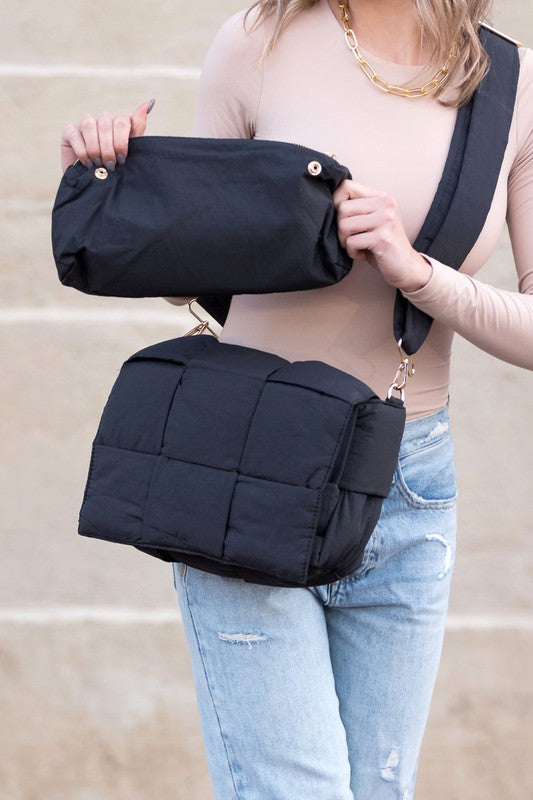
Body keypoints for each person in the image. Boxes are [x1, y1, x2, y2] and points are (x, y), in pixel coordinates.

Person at [60, 1, 533, 797]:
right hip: (250, 464)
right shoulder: (258, 41)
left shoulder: (508, 81)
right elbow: (186, 264)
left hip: (408, 487)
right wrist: (114, 177)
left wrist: (416, 273)